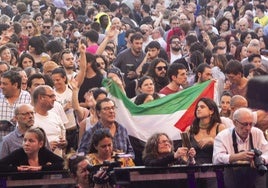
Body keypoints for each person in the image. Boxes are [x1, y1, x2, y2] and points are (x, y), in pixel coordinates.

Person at [213, 108, 268, 188]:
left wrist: (261, 159)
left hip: (255, 180)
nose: (248, 128)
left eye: (251, 124)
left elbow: (267, 152)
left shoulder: (257, 133)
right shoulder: (222, 136)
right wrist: (238, 157)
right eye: (245, 124)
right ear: (234, 122)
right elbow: (216, 159)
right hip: (232, 182)